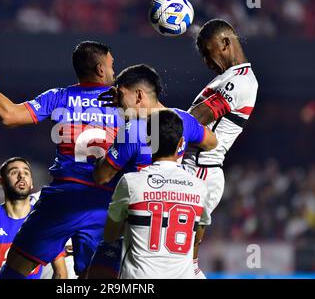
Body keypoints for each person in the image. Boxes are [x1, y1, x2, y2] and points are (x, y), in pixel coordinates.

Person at [0, 41, 123, 278]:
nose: (114, 72)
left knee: (14, 269)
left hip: (62, 200)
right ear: (99, 69)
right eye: (111, 65)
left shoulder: (59, 97)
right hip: (103, 204)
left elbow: (8, 115)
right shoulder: (121, 101)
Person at [88, 64, 217, 278]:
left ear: (139, 95)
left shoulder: (134, 131)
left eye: (120, 96)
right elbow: (212, 142)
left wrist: (101, 153)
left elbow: (102, 176)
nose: (118, 103)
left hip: (134, 227)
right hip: (175, 231)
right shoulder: (182, 121)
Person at [183, 19, 259, 278]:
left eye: (208, 51)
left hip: (199, 171)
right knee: (182, 263)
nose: (206, 60)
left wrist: (148, 112)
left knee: (176, 261)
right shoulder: (227, 79)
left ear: (225, 42)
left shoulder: (239, 82)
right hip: (195, 169)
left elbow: (193, 121)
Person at [103, 110, 208, 278]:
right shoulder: (199, 187)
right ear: (181, 143)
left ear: (148, 141)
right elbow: (199, 232)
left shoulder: (131, 182)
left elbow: (110, 234)